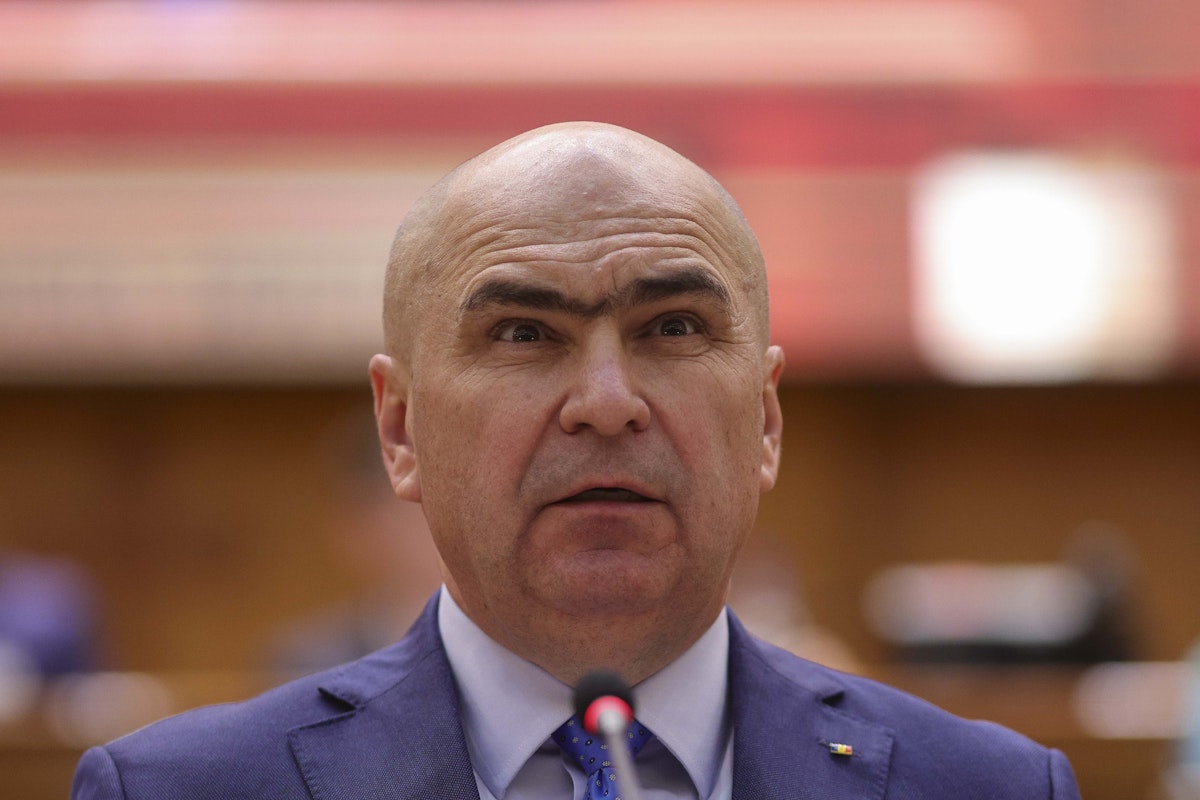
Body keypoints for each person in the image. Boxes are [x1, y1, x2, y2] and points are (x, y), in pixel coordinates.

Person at [71, 122, 1081, 799]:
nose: (606, 403)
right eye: (523, 335)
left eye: (674, 326)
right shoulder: (175, 791)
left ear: (766, 420)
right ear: (401, 430)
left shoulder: (988, 788)